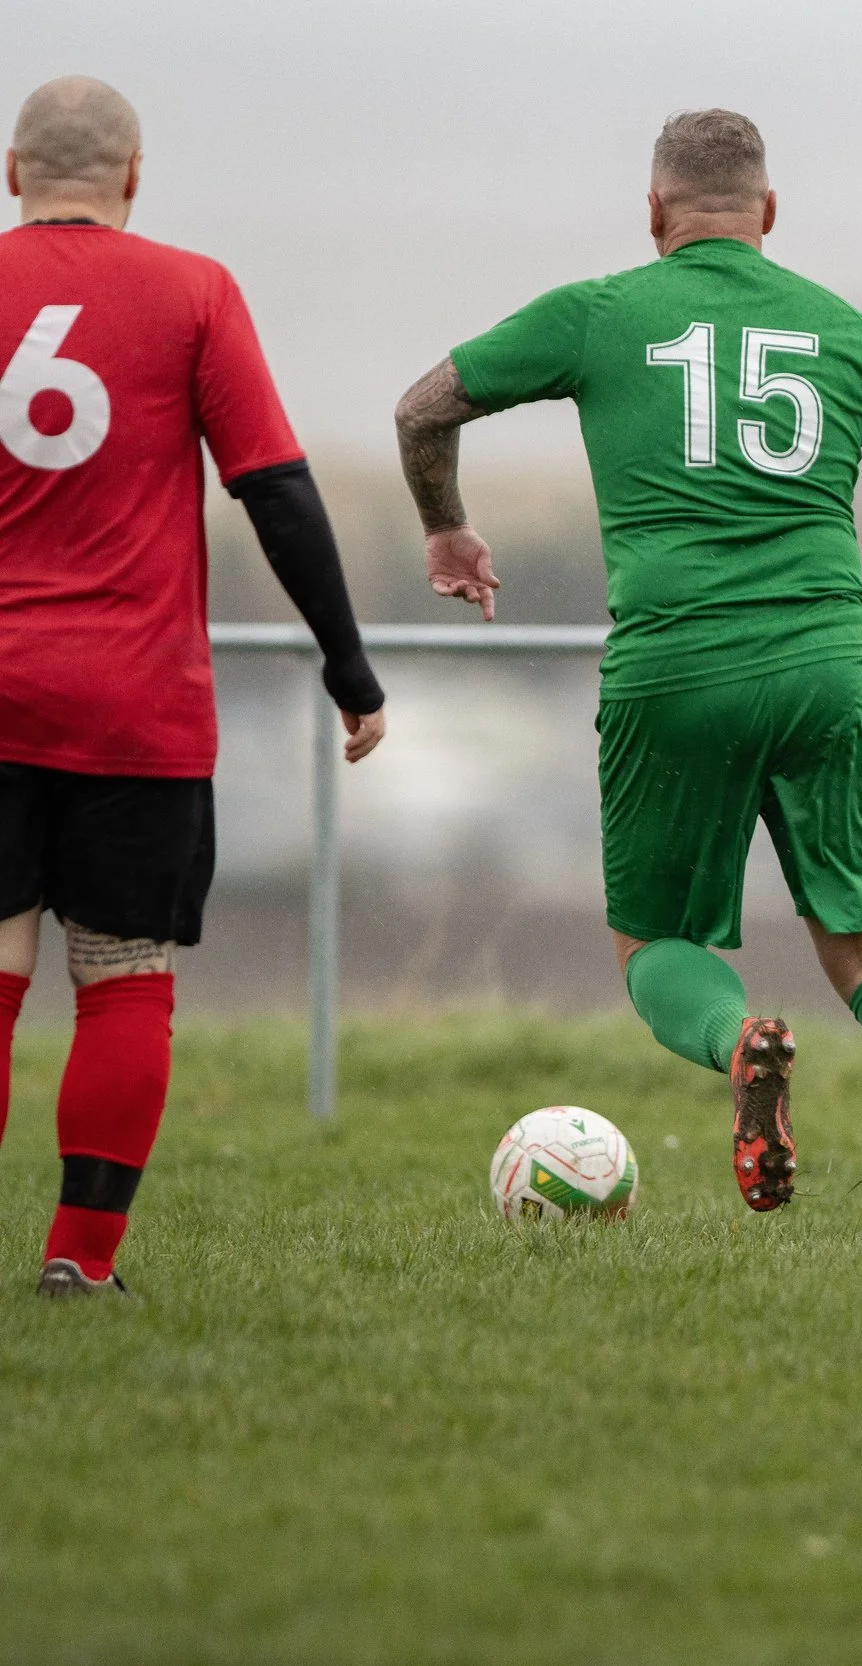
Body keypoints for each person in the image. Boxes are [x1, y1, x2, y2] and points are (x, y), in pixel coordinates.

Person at [395, 109, 862, 1226]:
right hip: (825, 666)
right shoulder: (846, 329)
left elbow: (423, 406)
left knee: (655, 943)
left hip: (673, 667)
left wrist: (447, 526)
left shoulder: (598, 313)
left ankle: (738, 1043)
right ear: (769, 215)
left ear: (653, 213)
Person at [0, 77, 388, 1297]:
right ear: (133, 175)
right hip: (136, 708)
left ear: (12, 176)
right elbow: (273, 486)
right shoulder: (194, 292)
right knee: (122, 982)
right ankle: (82, 1258)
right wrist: (345, 659)